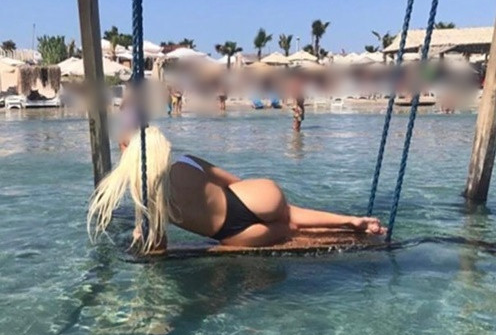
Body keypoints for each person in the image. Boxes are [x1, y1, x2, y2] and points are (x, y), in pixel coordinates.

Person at [88, 127, 386, 254]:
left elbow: (159, 246)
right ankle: (352, 221)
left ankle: (354, 233)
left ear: (129, 153)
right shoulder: (185, 160)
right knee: (290, 214)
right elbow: (232, 181)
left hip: (232, 233)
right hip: (247, 196)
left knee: (291, 231)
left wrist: (140, 236)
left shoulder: (149, 193)